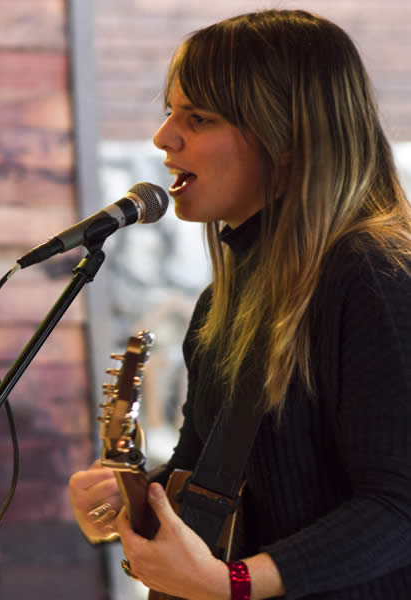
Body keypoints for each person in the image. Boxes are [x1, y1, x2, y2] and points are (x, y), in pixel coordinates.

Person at [69, 9, 411, 599]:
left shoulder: (375, 274)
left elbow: (398, 504)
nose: (163, 137)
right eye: (169, 111)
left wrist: (237, 582)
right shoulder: (223, 301)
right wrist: (129, 498)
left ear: (288, 136)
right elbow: (206, 474)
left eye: (198, 118)